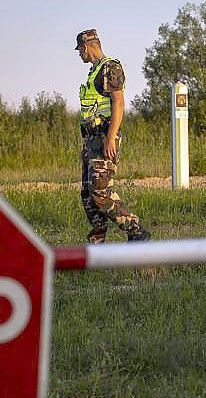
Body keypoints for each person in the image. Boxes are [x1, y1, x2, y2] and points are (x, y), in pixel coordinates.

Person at [75, 29, 150, 244]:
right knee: (88, 194)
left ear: (87, 46)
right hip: (91, 140)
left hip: (103, 138)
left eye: (80, 50)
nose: (80, 54)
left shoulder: (110, 67)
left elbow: (118, 102)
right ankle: (97, 242)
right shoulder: (94, 71)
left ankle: (136, 231)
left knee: (100, 192)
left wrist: (111, 137)